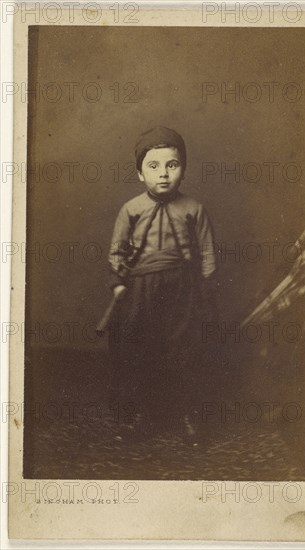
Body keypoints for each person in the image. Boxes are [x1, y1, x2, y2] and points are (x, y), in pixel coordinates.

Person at [108, 126, 217, 439]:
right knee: (142, 349)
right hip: (141, 289)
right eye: (153, 166)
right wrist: (118, 282)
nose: (164, 174)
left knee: (185, 349)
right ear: (140, 174)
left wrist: (206, 288)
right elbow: (117, 250)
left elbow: (207, 252)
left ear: (183, 169)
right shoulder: (131, 209)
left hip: (183, 288)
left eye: (172, 165)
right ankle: (144, 416)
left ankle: (187, 417)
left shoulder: (194, 210)